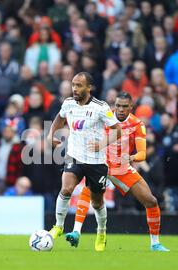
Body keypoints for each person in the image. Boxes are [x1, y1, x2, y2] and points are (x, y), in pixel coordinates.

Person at [66, 92, 169, 251]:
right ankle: (76, 231)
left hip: (122, 169)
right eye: (118, 106)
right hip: (101, 165)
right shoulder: (104, 117)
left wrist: (132, 157)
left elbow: (142, 154)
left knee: (151, 201)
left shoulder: (137, 124)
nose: (120, 109)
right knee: (90, 193)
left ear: (131, 107)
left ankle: (155, 243)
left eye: (124, 106)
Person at [46, 72, 122, 252]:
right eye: (73, 84)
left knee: (96, 203)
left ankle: (101, 232)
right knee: (66, 188)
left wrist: (101, 144)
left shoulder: (100, 107)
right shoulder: (68, 103)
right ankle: (59, 226)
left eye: (79, 85)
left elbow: (117, 130)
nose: (75, 88)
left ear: (89, 87)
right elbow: (60, 117)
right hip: (75, 156)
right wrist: (51, 134)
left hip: (96, 162)